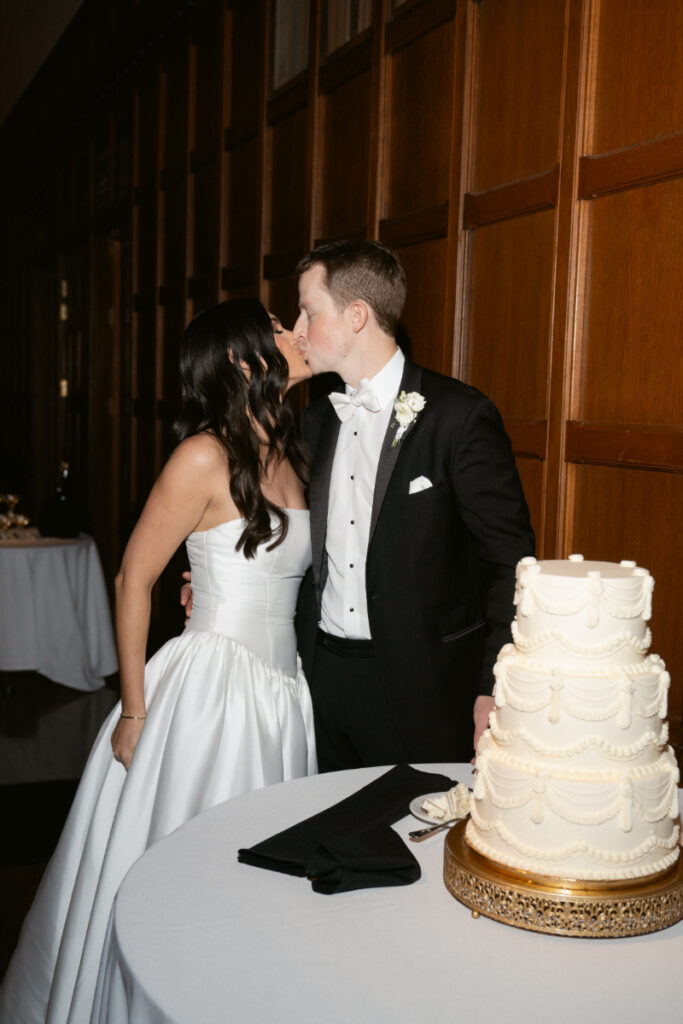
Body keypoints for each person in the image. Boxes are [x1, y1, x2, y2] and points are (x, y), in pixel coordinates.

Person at [0, 299, 316, 1024]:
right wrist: (135, 710)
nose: (292, 333)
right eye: (274, 326)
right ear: (242, 360)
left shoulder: (288, 448)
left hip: (280, 694)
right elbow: (131, 577)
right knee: (192, 873)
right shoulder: (203, 454)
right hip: (212, 696)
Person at [292, 239, 535, 771]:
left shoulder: (459, 417)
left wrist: (495, 685)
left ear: (356, 316)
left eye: (308, 312)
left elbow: (510, 563)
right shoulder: (313, 423)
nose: (297, 329)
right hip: (323, 678)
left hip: (425, 688)